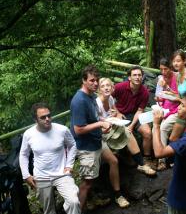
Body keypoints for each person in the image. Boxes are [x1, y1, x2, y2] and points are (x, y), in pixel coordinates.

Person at [96, 78, 156, 208]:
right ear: (99, 89)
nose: (106, 88)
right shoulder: (97, 103)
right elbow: (96, 123)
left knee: (127, 131)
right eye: (103, 86)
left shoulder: (111, 99)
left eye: (108, 86)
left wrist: (116, 115)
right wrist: (107, 121)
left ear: (112, 88)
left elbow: (115, 112)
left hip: (111, 129)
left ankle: (140, 164)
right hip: (101, 135)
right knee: (114, 159)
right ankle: (118, 195)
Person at [19, 102, 80, 214]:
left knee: (73, 202)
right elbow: (23, 154)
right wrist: (26, 175)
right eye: (43, 117)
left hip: (62, 173)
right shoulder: (28, 134)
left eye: (49, 115)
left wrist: (69, 165)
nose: (47, 119)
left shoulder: (62, 130)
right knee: (48, 210)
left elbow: (72, 145)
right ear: (35, 119)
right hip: (41, 176)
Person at [70, 65, 111, 211]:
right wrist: (100, 123)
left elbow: (93, 117)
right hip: (86, 147)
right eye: (92, 80)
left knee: (90, 179)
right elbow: (78, 129)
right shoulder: (79, 100)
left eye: (97, 80)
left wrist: (104, 123)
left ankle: (88, 203)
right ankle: (77, 211)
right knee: (86, 183)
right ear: (84, 81)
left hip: (95, 142)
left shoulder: (92, 96)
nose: (95, 83)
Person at [112, 65, 153, 165]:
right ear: (129, 77)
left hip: (135, 115)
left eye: (139, 75)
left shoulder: (144, 92)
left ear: (142, 77)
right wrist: (117, 112)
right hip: (120, 115)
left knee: (147, 132)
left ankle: (146, 158)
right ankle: (127, 155)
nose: (137, 77)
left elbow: (140, 111)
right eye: (134, 75)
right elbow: (108, 98)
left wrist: (132, 125)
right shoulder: (120, 87)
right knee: (127, 133)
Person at [154, 58, 180, 170]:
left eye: (166, 69)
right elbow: (158, 97)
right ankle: (157, 157)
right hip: (164, 109)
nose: (163, 72)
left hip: (177, 109)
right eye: (161, 69)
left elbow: (180, 98)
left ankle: (162, 160)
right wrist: (159, 97)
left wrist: (166, 87)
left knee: (163, 127)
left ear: (171, 68)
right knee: (154, 128)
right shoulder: (161, 78)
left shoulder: (178, 77)